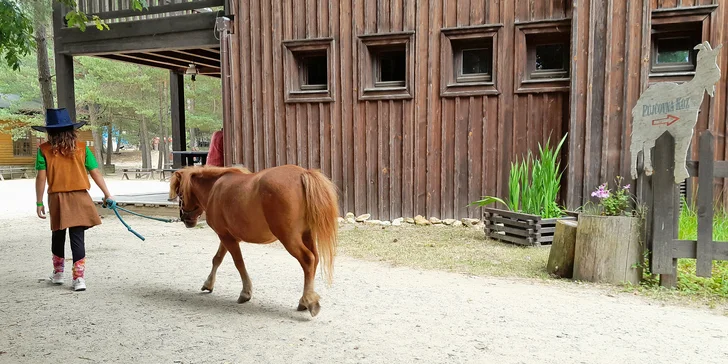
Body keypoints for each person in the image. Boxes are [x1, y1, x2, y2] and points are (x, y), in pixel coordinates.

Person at [33, 108, 115, 292]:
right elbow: (95, 173)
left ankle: (58, 273)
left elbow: (41, 178)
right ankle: (79, 279)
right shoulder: (82, 148)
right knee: (77, 238)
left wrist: (39, 202)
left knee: (58, 234)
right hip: (80, 197)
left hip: (57, 197)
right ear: (71, 130)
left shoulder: (43, 150)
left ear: (50, 131)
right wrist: (107, 193)